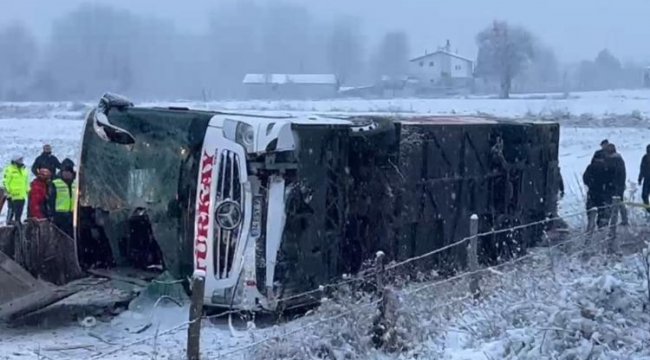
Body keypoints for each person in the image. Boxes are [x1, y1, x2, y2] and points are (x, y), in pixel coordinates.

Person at [583, 153, 614, 228]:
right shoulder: (606, 167)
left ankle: (590, 227)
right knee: (602, 211)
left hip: (592, 192)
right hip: (603, 193)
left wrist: (591, 184)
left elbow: (585, 178)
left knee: (591, 210)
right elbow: (610, 180)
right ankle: (601, 227)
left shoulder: (591, 167)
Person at [604, 143, 628, 225]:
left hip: (615, 186)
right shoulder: (618, 159)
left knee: (614, 203)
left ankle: (612, 221)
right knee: (619, 202)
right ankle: (623, 219)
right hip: (618, 185)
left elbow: (615, 174)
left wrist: (612, 183)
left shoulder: (614, 160)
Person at [2, 156, 29, 225]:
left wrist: (28, 191)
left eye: (22, 159)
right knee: (11, 210)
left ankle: (18, 223)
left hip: (21, 195)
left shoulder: (24, 170)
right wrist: (7, 192)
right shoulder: (9, 169)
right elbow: (5, 181)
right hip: (12, 195)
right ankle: (8, 223)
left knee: (19, 211)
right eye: (20, 159)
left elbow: (26, 182)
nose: (21, 161)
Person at [52, 164, 76, 237]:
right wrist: (52, 214)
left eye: (68, 172)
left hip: (73, 214)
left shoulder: (76, 183)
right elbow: (51, 200)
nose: (66, 174)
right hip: (60, 215)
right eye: (64, 172)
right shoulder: (56, 183)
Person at [638, 144, 650, 213]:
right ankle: (648, 211)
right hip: (647, 180)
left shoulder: (645, 157)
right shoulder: (645, 158)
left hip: (647, 179)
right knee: (644, 196)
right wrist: (640, 178)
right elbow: (642, 169)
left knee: (644, 196)